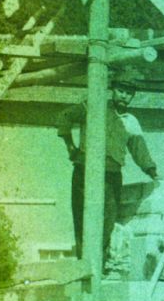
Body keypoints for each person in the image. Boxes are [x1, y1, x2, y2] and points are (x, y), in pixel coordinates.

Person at [68, 79, 159, 277]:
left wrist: (152, 171)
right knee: (82, 218)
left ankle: (98, 267)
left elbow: (139, 149)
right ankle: (83, 267)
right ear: (113, 91)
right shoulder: (94, 108)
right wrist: (71, 147)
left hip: (111, 175)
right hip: (85, 171)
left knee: (108, 219)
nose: (124, 96)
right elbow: (65, 118)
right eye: (120, 90)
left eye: (129, 93)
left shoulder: (130, 121)